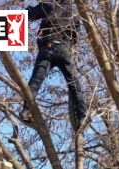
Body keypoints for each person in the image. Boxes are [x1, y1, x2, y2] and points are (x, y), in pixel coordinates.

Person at [19, 0, 86, 131]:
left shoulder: (48, 4)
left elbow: (29, 14)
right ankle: (81, 116)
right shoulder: (74, 9)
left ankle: (26, 110)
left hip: (47, 47)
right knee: (74, 84)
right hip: (64, 49)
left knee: (36, 81)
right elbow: (75, 36)